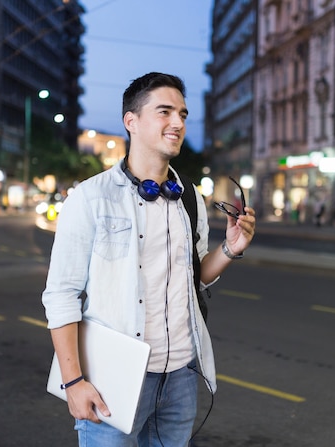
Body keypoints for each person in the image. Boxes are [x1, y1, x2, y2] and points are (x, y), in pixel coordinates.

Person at [41, 72, 256, 446]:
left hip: (182, 376)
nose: (178, 123)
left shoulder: (188, 197)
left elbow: (196, 277)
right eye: (165, 112)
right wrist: (73, 381)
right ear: (131, 121)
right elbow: (61, 295)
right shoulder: (90, 198)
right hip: (114, 379)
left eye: (184, 114)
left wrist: (229, 249)